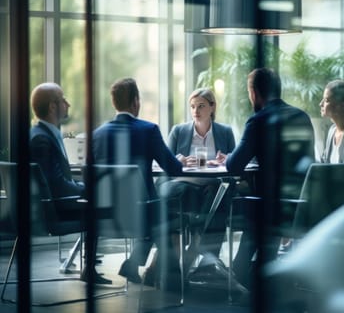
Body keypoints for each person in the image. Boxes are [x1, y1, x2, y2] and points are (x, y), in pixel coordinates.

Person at [217, 67, 315, 290]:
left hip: (270, 207)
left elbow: (234, 165)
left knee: (241, 201)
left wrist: (230, 157)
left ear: (254, 93)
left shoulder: (258, 120)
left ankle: (239, 271)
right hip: (301, 205)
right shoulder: (302, 116)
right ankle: (262, 272)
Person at [92, 78, 183, 286]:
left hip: (103, 215)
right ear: (135, 102)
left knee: (155, 210)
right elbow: (174, 169)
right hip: (141, 214)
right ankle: (171, 276)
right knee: (167, 212)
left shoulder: (96, 135)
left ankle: (134, 265)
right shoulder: (148, 130)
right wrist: (178, 160)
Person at [29, 82, 111, 285]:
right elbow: (57, 187)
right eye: (63, 99)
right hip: (51, 211)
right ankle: (89, 268)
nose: (68, 104)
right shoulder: (41, 139)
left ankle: (87, 263)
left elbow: (56, 181)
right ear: (52, 107)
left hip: (44, 205)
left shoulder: (41, 134)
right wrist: (89, 190)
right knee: (103, 206)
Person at [161, 88, 235, 262]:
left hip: (212, 185)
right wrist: (179, 160)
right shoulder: (178, 131)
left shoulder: (225, 132)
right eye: (193, 107)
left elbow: (236, 159)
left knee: (219, 190)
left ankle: (198, 244)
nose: (196, 111)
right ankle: (201, 247)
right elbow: (165, 160)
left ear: (212, 107)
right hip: (185, 184)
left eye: (201, 106)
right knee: (217, 195)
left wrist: (226, 159)